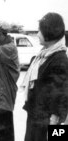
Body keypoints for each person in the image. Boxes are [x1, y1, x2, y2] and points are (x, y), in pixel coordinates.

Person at [21, 12, 68, 141]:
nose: (37, 34)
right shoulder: (44, 54)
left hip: (46, 120)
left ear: (49, 32)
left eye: (39, 31)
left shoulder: (59, 58)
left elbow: (61, 95)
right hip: (36, 115)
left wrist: (55, 125)